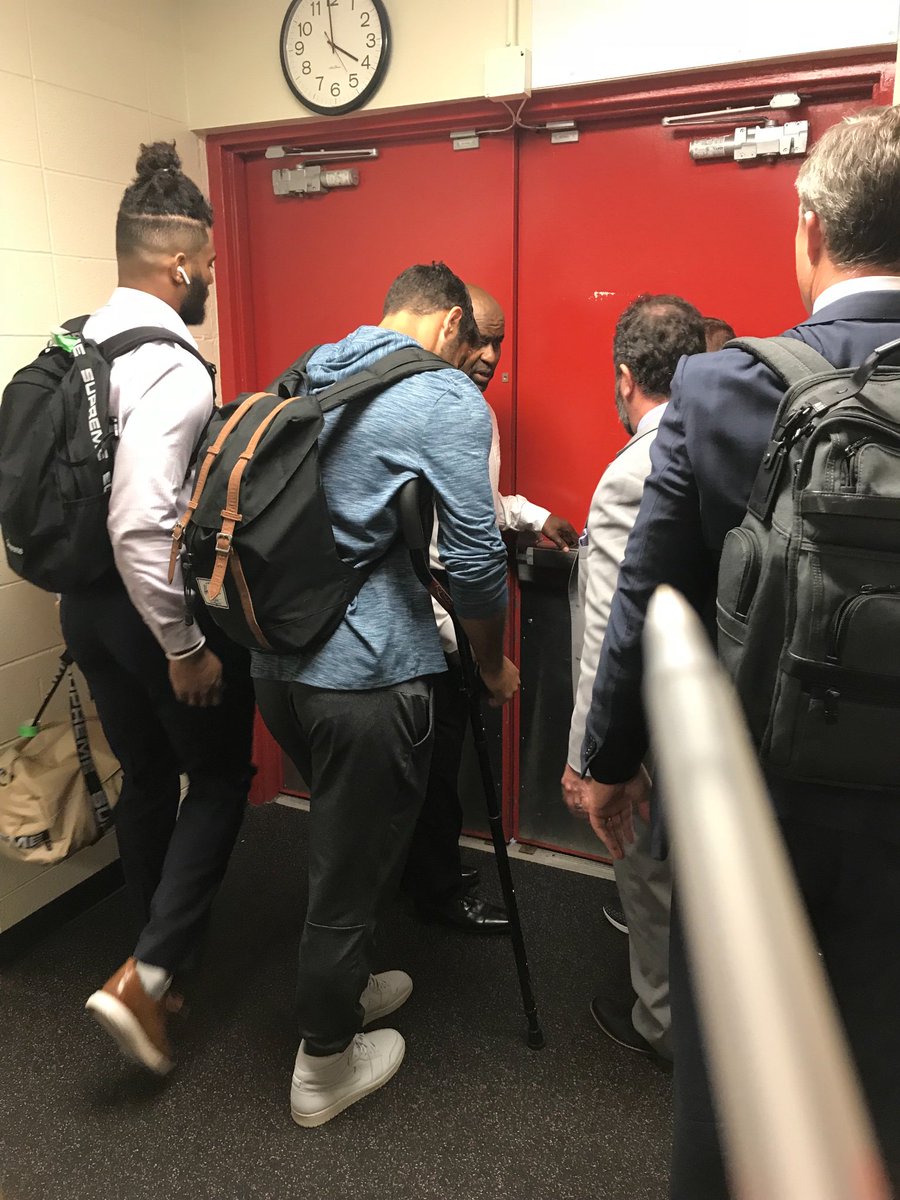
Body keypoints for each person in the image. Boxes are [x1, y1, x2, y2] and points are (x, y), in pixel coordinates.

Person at [575, 106, 900, 1196]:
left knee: (730, 1068)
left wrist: (609, 762)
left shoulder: (723, 389)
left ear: (807, 228)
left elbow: (646, 598)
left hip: (751, 804)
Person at [253, 262, 520, 1126]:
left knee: (345, 835)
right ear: (447, 323)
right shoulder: (442, 396)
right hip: (363, 675)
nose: (477, 356)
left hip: (277, 669)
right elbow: (477, 564)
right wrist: (491, 662)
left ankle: (352, 986)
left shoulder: (313, 370)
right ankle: (322, 1064)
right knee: (349, 864)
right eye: (473, 340)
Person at [61, 143, 256, 1074]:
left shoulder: (79, 341)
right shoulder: (174, 367)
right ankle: (146, 976)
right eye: (211, 265)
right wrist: (184, 644)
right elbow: (142, 524)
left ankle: (155, 957)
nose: (212, 280)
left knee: (145, 774)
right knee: (219, 781)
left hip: (84, 610)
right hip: (148, 616)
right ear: (179, 264)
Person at [401, 284, 579, 933]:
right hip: (430, 615)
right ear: (452, 329)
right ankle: (438, 890)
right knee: (437, 758)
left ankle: (424, 869)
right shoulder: (420, 411)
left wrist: (536, 517)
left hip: (449, 613)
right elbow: (453, 543)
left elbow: (482, 503)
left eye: (501, 341)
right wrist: (477, 649)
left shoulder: (476, 412)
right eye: (480, 338)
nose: (491, 354)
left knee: (435, 757)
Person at [563, 294, 705, 1060]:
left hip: (648, 725)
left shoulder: (634, 473)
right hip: (714, 709)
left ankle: (662, 1026)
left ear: (625, 378)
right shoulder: (723, 442)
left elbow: (609, 640)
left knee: (646, 877)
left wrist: (590, 762)